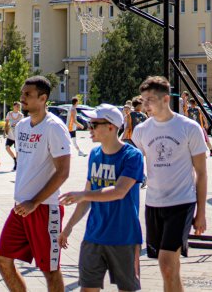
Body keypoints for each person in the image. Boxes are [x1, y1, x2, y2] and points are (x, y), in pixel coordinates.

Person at [0, 76, 71, 292]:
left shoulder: (54, 127)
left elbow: (63, 172)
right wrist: (26, 201)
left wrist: (35, 202)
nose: (22, 98)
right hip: (21, 207)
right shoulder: (22, 127)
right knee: (3, 260)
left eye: (28, 94)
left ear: (43, 98)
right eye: (22, 94)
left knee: (50, 269)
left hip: (44, 208)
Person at [59, 104, 145, 292]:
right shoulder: (95, 154)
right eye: (90, 124)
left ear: (111, 127)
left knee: (127, 289)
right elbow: (87, 198)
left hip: (124, 237)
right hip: (93, 236)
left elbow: (119, 191)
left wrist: (83, 195)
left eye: (94, 124)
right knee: (87, 289)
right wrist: (68, 227)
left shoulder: (132, 156)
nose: (89, 128)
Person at [133, 76, 207, 292]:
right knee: (170, 267)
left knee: (166, 264)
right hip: (154, 204)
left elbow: (201, 173)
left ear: (166, 99)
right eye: (143, 100)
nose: (145, 105)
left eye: (150, 100)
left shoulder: (189, 128)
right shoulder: (141, 131)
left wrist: (201, 212)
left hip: (182, 203)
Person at [4, 102, 23, 171]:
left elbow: (22, 125)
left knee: (17, 151)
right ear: (14, 106)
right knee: (7, 147)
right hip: (10, 135)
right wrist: (5, 132)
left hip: (17, 135)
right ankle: (14, 159)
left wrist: (17, 124)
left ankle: (17, 164)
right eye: (17, 106)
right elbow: (6, 123)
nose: (18, 107)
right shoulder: (9, 114)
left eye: (19, 106)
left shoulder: (21, 115)